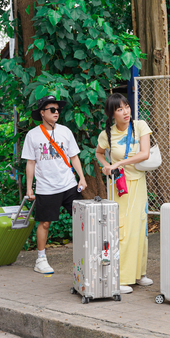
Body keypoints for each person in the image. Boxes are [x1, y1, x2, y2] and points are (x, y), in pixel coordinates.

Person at [22, 95, 87, 274]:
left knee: (82, 219)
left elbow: (74, 156)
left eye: (58, 109)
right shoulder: (32, 135)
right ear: (42, 113)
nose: (56, 112)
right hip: (46, 187)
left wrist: (81, 178)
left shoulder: (65, 131)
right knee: (44, 223)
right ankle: (41, 259)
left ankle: (87, 253)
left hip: (69, 185)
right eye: (52, 110)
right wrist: (29, 188)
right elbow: (30, 163)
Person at [95, 93, 153, 295]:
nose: (125, 111)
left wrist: (118, 162)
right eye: (119, 109)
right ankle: (121, 277)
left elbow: (144, 153)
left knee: (140, 227)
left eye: (126, 106)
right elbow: (99, 153)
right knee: (124, 231)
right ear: (112, 114)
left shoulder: (140, 126)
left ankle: (139, 273)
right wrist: (106, 166)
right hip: (121, 187)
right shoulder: (107, 135)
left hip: (139, 184)